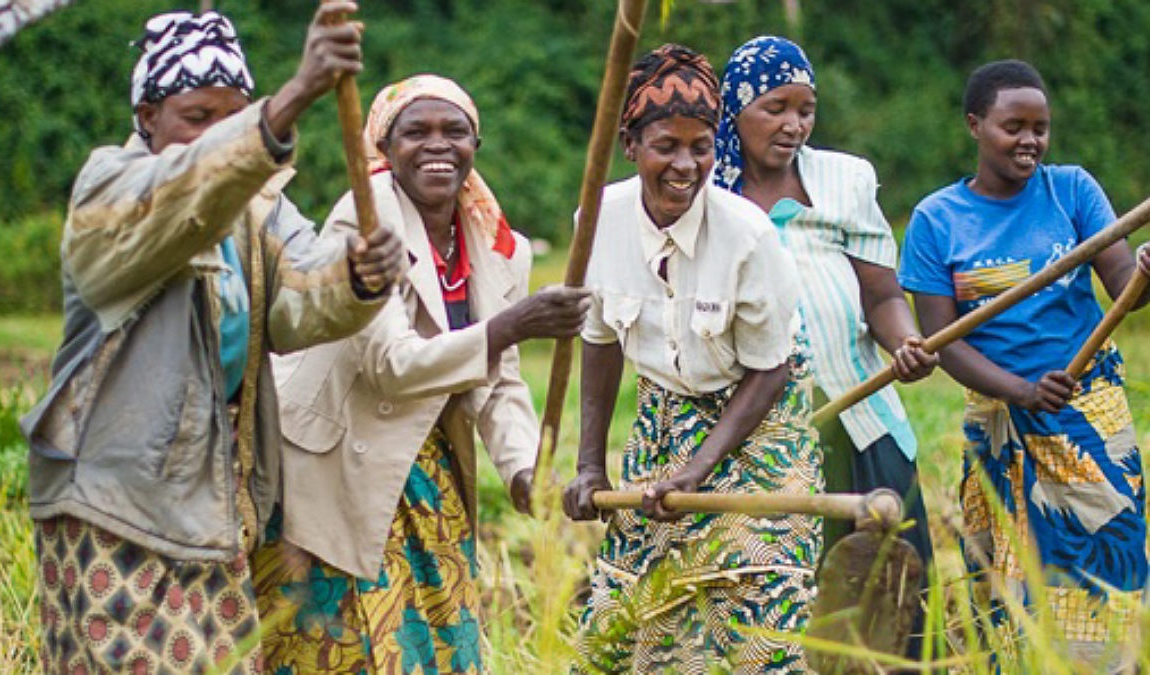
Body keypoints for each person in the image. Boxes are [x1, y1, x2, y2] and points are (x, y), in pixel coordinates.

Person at [20, 6, 403, 672]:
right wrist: (286, 104)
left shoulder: (258, 213)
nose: (216, 133)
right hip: (115, 504)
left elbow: (301, 304)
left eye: (233, 115)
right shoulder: (111, 186)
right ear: (147, 117)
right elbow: (182, 204)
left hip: (214, 498)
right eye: (197, 117)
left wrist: (358, 276)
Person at [251, 74, 590, 673]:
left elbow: (501, 379)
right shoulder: (366, 218)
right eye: (416, 133)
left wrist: (520, 470)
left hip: (426, 466)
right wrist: (514, 324)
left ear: (474, 145)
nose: (438, 145)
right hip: (337, 461)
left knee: (433, 639)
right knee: (334, 646)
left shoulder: (492, 240)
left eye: (454, 132)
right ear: (385, 149)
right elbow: (388, 366)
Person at [562, 44, 820, 673]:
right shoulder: (598, 219)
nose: (685, 165)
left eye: (701, 147)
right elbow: (599, 339)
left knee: (752, 609)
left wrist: (701, 469)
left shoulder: (748, 236)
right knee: (630, 622)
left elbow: (771, 368)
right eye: (666, 147)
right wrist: (590, 465)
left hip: (761, 420)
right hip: (663, 421)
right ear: (631, 144)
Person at [899, 59, 1150, 670]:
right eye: (1014, 126)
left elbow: (1122, 286)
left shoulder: (1072, 190)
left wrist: (1144, 272)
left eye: (1040, 127)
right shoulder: (937, 220)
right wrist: (1020, 390)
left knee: (1103, 564)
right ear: (975, 125)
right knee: (1006, 573)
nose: (1030, 141)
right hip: (1001, 418)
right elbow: (942, 340)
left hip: (1086, 414)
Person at [711, 35, 939, 661]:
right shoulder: (706, 193)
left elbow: (882, 297)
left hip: (863, 416)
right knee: (789, 596)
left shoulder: (844, 178)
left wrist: (906, 341)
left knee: (892, 590)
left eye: (806, 109)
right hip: (765, 432)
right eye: (775, 108)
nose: (794, 125)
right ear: (735, 110)